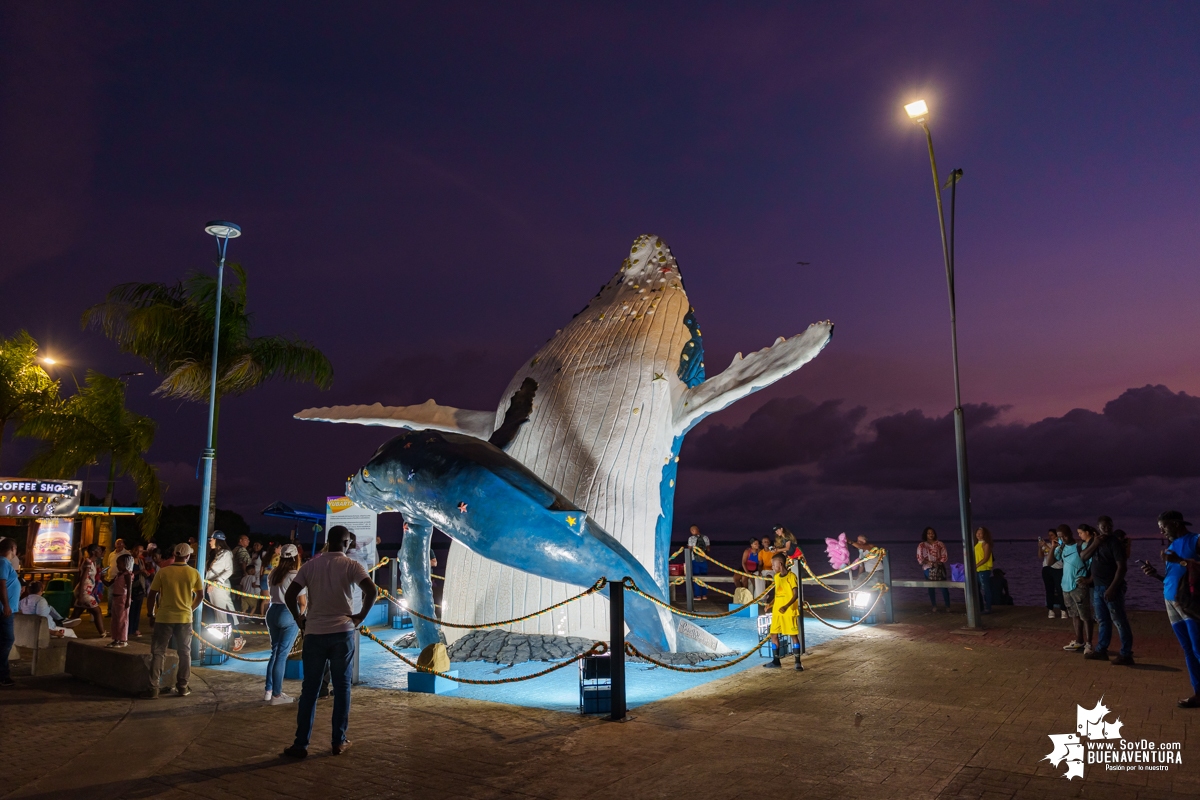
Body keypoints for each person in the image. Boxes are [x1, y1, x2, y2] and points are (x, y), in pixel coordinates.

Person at [281, 525, 378, 758]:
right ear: (346, 544)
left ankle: (300, 744)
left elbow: (290, 594)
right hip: (342, 632)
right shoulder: (352, 566)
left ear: (328, 541)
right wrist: (361, 617)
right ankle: (338, 741)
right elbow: (371, 591)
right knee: (342, 687)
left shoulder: (310, 565)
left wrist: (298, 617)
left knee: (310, 690)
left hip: (314, 633)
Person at [1140, 511, 1200, 708]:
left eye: (1163, 527)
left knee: (1198, 648)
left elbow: (1188, 566)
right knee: (1188, 649)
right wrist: (1156, 575)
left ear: (1175, 524)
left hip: (1191, 604)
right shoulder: (1172, 547)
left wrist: (1181, 561)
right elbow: (1173, 577)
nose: (1161, 531)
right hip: (1170, 602)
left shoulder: (1195, 540)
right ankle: (1198, 692)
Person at [145, 543, 204, 698]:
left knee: (158, 652)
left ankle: (153, 688)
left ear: (174, 554)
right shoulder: (193, 573)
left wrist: (150, 614)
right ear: (188, 556)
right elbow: (200, 596)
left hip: (163, 617)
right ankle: (183, 686)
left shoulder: (163, 572)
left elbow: (152, 595)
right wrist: (190, 609)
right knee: (185, 652)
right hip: (184, 618)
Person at [1080, 516, 1134, 664]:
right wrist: (1095, 543)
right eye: (1103, 526)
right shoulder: (1095, 542)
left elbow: (1122, 568)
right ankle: (1101, 650)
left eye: (1109, 526)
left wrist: (1112, 588)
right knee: (1103, 620)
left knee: (1119, 621)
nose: (1106, 529)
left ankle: (1126, 654)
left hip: (1111, 588)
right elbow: (1083, 557)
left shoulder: (1114, 543)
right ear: (1098, 527)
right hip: (1097, 587)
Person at [265, 544, 305, 705]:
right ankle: (276, 695)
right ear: (296, 558)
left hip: (272, 611)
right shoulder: (296, 575)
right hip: (288, 612)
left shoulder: (274, 573)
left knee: (274, 653)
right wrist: (301, 618)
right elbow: (302, 602)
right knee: (282, 655)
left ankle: (268, 690)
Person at [1057, 524, 1095, 653]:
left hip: (1079, 586)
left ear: (1071, 533)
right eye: (1061, 536)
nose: (1064, 538)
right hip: (1066, 586)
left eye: (1065, 535)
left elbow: (1095, 562)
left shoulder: (1081, 546)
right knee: (1074, 615)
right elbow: (1051, 561)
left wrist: (1090, 579)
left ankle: (1089, 644)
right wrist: (1054, 546)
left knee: (1085, 616)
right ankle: (1079, 641)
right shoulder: (1061, 548)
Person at [762, 553, 802, 671]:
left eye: (773, 565)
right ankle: (776, 660)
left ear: (780, 564)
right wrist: (770, 604)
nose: (772, 568)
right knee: (773, 634)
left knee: (793, 636)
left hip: (788, 611)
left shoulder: (791, 576)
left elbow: (795, 594)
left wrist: (786, 606)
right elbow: (778, 594)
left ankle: (797, 662)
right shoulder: (777, 577)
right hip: (777, 612)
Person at [70, 544, 106, 636]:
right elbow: (82, 578)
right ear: (93, 552)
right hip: (84, 592)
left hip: (85, 591)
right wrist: (81, 595)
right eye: (98, 549)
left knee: (76, 614)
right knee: (97, 611)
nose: (100, 551)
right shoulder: (88, 562)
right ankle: (102, 633)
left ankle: (64, 630)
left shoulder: (92, 562)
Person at [0, 538, 20, 686]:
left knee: (4, 641)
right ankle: (2, 674)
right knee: (7, 640)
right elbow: (1, 584)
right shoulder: (3, 562)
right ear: (12, 548)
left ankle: (4, 674)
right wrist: (6, 605)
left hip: (6, 608)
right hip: (4, 610)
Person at [917, 527, 951, 612]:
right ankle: (934, 605)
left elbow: (944, 555)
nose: (930, 535)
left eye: (932, 533)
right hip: (927, 569)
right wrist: (929, 563)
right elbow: (920, 558)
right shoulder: (922, 545)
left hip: (939, 568)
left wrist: (937, 563)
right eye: (928, 533)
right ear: (926, 534)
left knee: (943, 586)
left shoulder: (940, 544)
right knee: (931, 587)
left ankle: (947, 606)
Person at [205, 532, 236, 624]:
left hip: (219, 586)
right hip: (210, 585)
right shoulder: (213, 553)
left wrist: (215, 582)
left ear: (217, 540)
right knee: (215, 612)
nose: (209, 542)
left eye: (211, 540)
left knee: (222, 612)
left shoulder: (226, 553)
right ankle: (235, 636)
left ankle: (229, 636)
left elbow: (229, 570)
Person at [105, 553, 134, 648]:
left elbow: (129, 588)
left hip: (122, 598)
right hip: (116, 598)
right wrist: (102, 579)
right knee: (115, 619)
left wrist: (128, 600)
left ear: (126, 564)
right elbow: (109, 584)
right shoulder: (119, 574)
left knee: (122, 620)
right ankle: (116, 638)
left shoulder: (127, 575)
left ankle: (122, 640)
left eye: (119, 563)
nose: (117, 565)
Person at [1039, 528, 1066, 619]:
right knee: (1049, 589)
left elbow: (1054, 553)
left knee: (1060, 589)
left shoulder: (1059, 545)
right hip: (1047, 568)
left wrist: (1046, 545)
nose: (1050, 537)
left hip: (1058, 568)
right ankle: (1050, 609)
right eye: (1049, 535)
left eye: (1052, 535)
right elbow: (1040, 556)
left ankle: (1063, 609)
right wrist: (1040, 547)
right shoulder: (1048, 544)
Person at [103, 538, 128, 617]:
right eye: (117, 543)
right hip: (111, 578)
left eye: (120, 543)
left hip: (121, 579)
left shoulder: (126, 554)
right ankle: (110, 611)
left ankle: (118, 611)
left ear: (123, 544)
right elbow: (109, 565)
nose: (119, 545)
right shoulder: (111, 554)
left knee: (119, 596)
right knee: (110, 596)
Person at [128, 544, 149, 638]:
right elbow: (128, 573)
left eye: (140, 551)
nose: (138, 553)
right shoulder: (129, 560)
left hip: (140, 587)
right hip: (131, 586)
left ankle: (135, 628)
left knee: (137, 609)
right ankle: (129, 628)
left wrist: (145, 573)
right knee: (131, 608)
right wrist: (140, 572)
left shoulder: (140, 561)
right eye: (137, 550)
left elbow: (144, 572)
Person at [973, 527, 994, 614]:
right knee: (977, 589)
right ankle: (980, 607)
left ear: (984, 534)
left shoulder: (986, 544)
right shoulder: (976, 544)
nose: (978, 535)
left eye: (980, 533)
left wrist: (976, 565)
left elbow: (985, 558)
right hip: (977, 570)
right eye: (977, 533)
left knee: (985, 589)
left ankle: (988, 608)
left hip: (984, 569)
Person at [686, 525, 709, 601]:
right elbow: (708, 549)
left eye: (691, 531)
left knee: (696, 578)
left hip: (694, 560)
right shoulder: (705, 537)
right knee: (705, 577)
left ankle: (698, 596)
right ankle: (704, 595)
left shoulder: (691, 538)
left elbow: (689, 549)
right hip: (704, 560)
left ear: (693, 530)